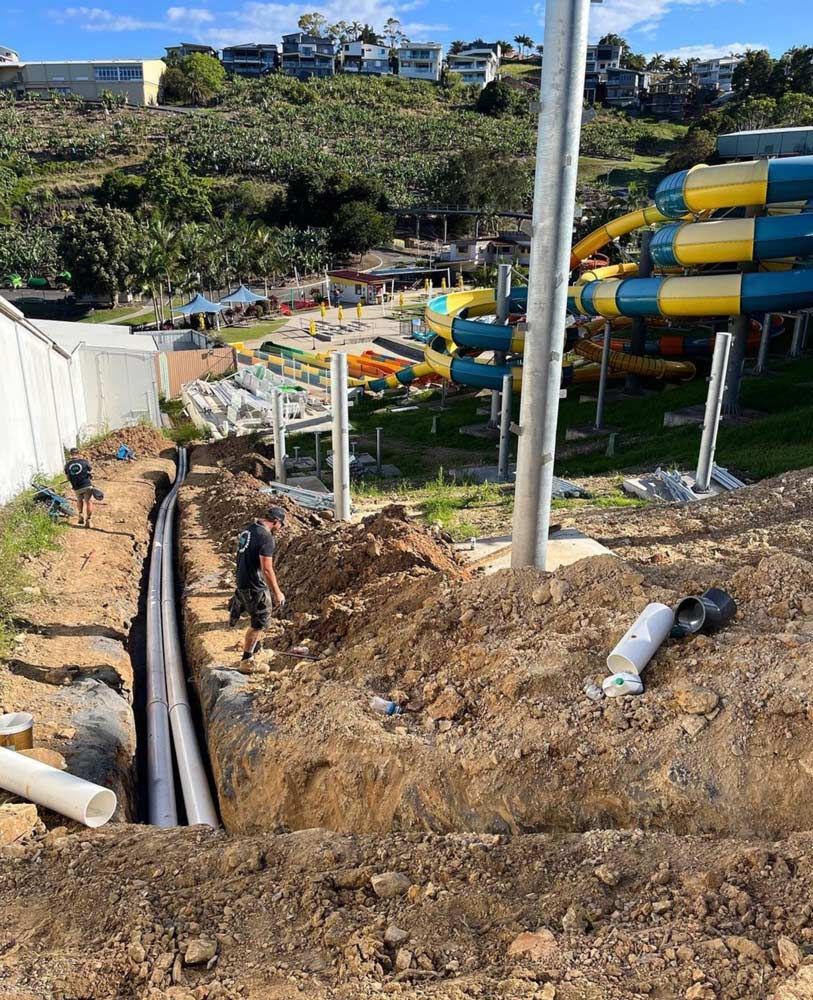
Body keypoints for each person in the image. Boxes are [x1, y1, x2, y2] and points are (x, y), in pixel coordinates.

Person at [228, 507, 286, 669]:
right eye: (280, 525)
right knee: (260, 621)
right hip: (254, 584)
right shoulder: (266, 538)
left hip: (242, 579)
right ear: (276, 522)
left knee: (258, 612)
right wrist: (277, 592)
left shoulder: (249, 530)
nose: (280, 529)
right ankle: (247, 660)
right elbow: (267, 569)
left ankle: (256, 649)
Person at [63, 448, 95, 528]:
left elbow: (68, 478)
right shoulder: (85, 462)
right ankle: (89, 520)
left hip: (77, 487)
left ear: (70, 454)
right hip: (87, 485)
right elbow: (92, 472)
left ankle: (80, 514)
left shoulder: (67, 465)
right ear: (78, 454)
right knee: (89, 501)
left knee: (79, 500)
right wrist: (90, 475)